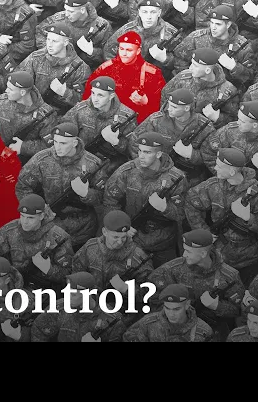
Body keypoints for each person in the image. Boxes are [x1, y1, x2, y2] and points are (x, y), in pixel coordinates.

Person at [184, 147, 258, 286]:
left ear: (232, 171)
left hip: (248, 258)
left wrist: (248, 218)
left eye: (219, 166)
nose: (215, 168)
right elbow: (191, 201)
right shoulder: (213, 185)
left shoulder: (256, 192)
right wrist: (203, 232)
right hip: (219, 255)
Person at [15, 122, 109, 250]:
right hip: (52, 224)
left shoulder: (92, 163)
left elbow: (104, 196)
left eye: (63, 143)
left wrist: (86, 193)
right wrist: (37, 208)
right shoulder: (41, 160)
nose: (57, 147)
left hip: (83, 226)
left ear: (75, 143)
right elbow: (22, 186)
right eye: (55, 142)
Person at [104, 131, 188, 267]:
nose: (141, 156)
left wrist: (165, 208)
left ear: (158, 154)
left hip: (164, 242)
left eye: (147, 152)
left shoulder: (175, 178)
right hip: (131, 240)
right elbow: (110, 200)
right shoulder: (127, 171)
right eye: (140, 151)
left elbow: (183, 213)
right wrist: (121, 226)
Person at [147, 229, 243, 340]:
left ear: (203, 254)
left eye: (189, 251)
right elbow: (153, 294)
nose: (184, 254)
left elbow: (238, 310)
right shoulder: (173, 269)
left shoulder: (229, 276)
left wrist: (217, 306)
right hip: (175, 328)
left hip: (213, 329)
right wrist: (173, 313)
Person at [128, 88, 215, 188]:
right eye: (169, 105)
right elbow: (135, 142)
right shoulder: (156, 120)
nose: (169, 109)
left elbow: (211, 157)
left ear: (187, 108)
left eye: (174, 107)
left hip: (190, 178)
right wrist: (147, 166)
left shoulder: (204, 127)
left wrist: (191, 154)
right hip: (157, 173)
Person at [0, 194, 73, 291]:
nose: (25, 222)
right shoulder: (10, 231)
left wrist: (48, 269)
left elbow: (68, 275)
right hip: (12, 285)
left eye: (30, 218)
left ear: (41, 216)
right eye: (22, 216)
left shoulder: (58, 237)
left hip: (45, 290)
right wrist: (3, 274)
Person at [72, 210, 153, 311]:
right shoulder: (90, 248)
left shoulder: (138, 257)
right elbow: (76, 273)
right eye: (115, 237)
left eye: (123, 237)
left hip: (121, 310)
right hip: (90, 304)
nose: (119, 242)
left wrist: (126, 289)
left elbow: (149, 292)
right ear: (104, 232)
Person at [84, 31, 165, 124]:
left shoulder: (152, 74)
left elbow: (161, 108)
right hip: (105, 119)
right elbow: (88, 94)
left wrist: (146, 102)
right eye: (121, 49)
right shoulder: (106, 68)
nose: (124, 53)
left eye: (129, 50)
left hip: (135, 122)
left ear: (138, 51)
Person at [63, 76, 137, 176]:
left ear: (111, 96)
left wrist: (116, 142)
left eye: (100, 95)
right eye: (93, 93)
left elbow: (134, 151)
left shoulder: (126, 116)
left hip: (109, 166)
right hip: (80, 159)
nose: (95, 99)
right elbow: (64, 131)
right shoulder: (81, 109)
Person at [17, 21, 91, 115]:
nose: (49, 44)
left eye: (55, 41)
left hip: (61, 115)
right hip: (32, 108)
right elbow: (19, 81)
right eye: (48, 39)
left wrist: (65, 92)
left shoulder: (81, 68)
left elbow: (86, 102)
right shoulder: (36, 57)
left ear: (65, 42)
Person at [30, 271, 127, 342]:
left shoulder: (112, 321)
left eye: (73, 294)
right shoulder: (60, 308)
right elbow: (38, 331)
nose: (68, 298)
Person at [174, 4, 255, 86]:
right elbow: (179, 58)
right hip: (194, 85)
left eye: (218, 24)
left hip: (223, 89)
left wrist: (234, 67)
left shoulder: (242, 46)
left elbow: (251, 77)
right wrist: (189, 79)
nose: (213, 27)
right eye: (212, 23)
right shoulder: (196, 37)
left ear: (228, 25)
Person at [0, 70, 58, 163]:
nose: (6, 91)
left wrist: (23, 147)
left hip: (26, 162)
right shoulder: (1, 102)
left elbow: (50, 145)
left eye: (10, 89)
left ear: (22, 92)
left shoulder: (46, 115)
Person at [161, 48, 239, 130]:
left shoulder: (227, 90)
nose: (190, 68)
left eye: (195, 66)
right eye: (192, 63)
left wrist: (217, 118)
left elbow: (234, 121)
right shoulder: (183, 77)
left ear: (207, 70)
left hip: (202, 133)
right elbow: (165, 95)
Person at [103, 0, 179, 79]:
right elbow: (108, 52)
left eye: (153, 12)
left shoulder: (171, 34)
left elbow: (181, 63)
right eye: (145, 12)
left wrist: (165, 59)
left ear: (159, 12)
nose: (149, 16)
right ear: (139, 12)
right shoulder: (127, 30)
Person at [35, 0, 113, 70]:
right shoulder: (59, 19)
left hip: (84, 69)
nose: (66, 14)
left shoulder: (102, 26)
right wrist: (50, 50)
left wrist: (92, 51)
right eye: (66, 10)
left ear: (82, 10)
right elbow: (40, 31)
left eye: (71, 11)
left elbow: (109, 55)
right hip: (56, 66)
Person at [122, 283, 214, 342]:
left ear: (187, 305)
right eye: (167, 308)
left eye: (176, 309)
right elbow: (128, 337)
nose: (171, 314)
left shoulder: (203, 331)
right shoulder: (148, 323)